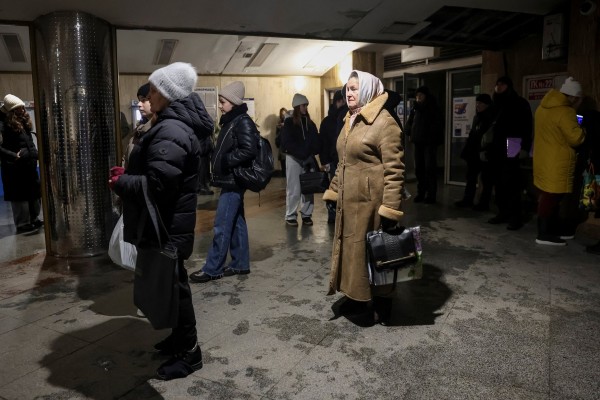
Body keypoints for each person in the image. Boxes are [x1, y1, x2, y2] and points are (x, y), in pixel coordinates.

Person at [110, 62, 213, 380]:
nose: (148, 95)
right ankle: (180, 341)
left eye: (154, 88)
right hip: (166, 224)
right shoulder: (170, 124)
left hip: (166, 225)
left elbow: (159, 185)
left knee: (177, 289)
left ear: (169, 93)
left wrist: (121, 181)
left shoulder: (171, 129)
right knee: (172, 287)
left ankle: (190, 354)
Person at [323, 70, 405, 326]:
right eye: (347, 88)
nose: (349, 93)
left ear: (368, 90)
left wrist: (390, 210)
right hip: (350, 203)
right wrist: (334, 191)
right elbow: (343, 163)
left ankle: (383, 305)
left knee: (378, 255)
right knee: (353, 254)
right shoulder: (350, 119)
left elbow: (395, 170)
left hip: (372, 205)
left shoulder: (384, 122)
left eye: (355, 88)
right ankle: (357, 296)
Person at [189, 81, 258, 283]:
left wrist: (227, 161)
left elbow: (249, 149)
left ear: (233, 102)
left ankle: (213, 268)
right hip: (230, 179)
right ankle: (240, 263)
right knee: (236, 221)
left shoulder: (242, 121)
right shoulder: (231, 120)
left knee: (222, 224)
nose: (220, 105)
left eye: (223, 101)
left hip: (233, 179)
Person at [533, 77, 585, 246]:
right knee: (552, 197)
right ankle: (544, 233)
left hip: (543, 159)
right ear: (574, 97)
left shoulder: (542, 107)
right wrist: (583, 129)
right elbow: (576, 138)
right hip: (557, 161)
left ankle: (550, 230)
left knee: (547, 196)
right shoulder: (566, 111)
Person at [487, 76, 533, 230]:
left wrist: (525, 147)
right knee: (498, 181)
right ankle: (503, 212)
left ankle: (515, 216)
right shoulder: (496, 104)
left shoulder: (519, 103)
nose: (498, 87)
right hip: (497, 146)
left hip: (513, 142)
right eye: (497, 84)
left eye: (502, 84)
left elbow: (526, 126)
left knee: (511, 181)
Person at [0, 94, 43, 234]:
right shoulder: (3, 124)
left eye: (23, 107)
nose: (23, 110)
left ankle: (34, 218)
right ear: (12, 110)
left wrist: (34, 152)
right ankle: (23, 223)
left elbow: (28, 142)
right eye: (19, 108)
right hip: (15, 168)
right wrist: (14, 156)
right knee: (20, 197)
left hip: (29, 164)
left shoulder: (23, 121)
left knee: (34, 194)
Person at [280, 93, 320, 226]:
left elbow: (315, 140)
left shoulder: (310, 123)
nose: (305, 108)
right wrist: (302, 154)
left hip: (307, 159)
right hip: (293, 159)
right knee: (293, 189)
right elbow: (286, 143)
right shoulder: (289, 122)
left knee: (308, 188)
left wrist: (310, 153)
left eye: (306, 105)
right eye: (303, 105)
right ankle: (290, 215)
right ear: (297, 106)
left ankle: (307, 214)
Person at [404, 86, 443, 204]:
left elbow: (437, 125)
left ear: (426, 96)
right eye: (416, 96)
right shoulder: (415, 109)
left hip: (429, 143)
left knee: (429, 169)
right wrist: (408, 131)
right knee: (419, 169)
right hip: (418, 142)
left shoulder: (432, 108)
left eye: (420, 95)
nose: (418, 97)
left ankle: (431, 195)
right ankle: (421, 193)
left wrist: (432, 137)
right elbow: (410, 122)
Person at [455, 93, 495, 208]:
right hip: (474, 152)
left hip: (485, 152)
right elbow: (473, 134)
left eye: (481, 103)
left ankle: (483, 203)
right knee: (471, 177)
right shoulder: (477, 117)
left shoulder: (490, 118)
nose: (478, 105)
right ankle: (468, 200)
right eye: (477, 103)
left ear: (487, 104)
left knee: (486, 179)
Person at [319, 90, 345, 223]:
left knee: (337, 188)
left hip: (338, 160)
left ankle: (336, 215)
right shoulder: (331, 121)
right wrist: (324, 161)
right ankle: (334, 215)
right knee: (335, 188)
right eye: (342, 100)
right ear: (337, 102)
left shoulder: (329, 121)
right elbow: (323, 142)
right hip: (335, 160)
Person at [123, 83, 153, 169]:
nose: (139, 104)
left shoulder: (158, 129)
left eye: (143, 100)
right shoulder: (139, 129)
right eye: (139, 100)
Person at [274, 107, 288, 176]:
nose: (283, 116)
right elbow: (277, 136)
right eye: (282, 114)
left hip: (288, 148)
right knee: (283, 164)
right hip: (281, 147)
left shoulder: (290, 122)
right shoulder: (279, 123)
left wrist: (285, 126)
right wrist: (279, 128)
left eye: (284, 114)